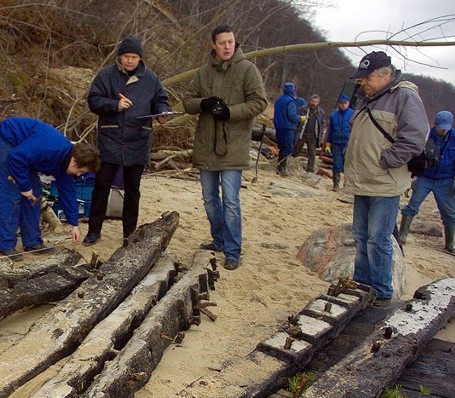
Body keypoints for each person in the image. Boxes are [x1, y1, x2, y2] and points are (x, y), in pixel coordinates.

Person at [344, 51, 428, 305]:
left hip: (385, 181)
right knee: (360, 236)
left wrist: (386, 160)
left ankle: (380, 292)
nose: (363, 82)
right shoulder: (367, 98)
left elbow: (415, 137)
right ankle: (360, 284)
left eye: (367, 77)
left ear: (386, 75)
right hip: (364, 180)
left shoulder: (404, 96)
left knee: (378, 239)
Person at [183, 24, 268, 270]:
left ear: (235, 42)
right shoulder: (203, 72)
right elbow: (188, 102)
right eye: (222, 43)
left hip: (234, 144)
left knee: (231, 200)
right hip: (206, 145)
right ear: (214, 45)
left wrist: (231, 112)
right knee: (210, 199)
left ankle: (233, 250)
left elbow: (259, 102)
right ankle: (218, 240)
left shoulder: (247, 69)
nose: (227, 46)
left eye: (230, 42)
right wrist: (204, 103)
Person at [84, 36, 171, 245]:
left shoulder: (151, 78)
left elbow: (161, 99)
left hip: (138, 139)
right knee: (102, 185)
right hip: (110, 137)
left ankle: (129, 233)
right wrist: (115, 105)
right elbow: (93, 100)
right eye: (126, 57)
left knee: (133, 189)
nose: (130, 61)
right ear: (119, 57)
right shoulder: (106, 75)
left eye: (134, 57)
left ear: (140, 58)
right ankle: (94, 231)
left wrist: (161, 112)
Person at [0, 116, 100, 259]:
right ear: (74, 162)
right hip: (9, 142)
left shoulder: (66, 164)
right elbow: (16, 157)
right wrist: (24, 185)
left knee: (35, 196)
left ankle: (32, 242)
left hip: (25, 153)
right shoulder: (51, 147)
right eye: (81, 171)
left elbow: (68, 192)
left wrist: (74, 224)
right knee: (11, 195)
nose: (80, 175)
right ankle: (6, 245)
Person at [398, 110, 455, 253]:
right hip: (425, 177)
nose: (443, 131)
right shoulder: (426, 135)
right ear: (434, 124)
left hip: (446, 179)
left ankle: (450, 243)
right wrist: (412, 176)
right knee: (412, 206)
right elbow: (415, 156)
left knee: (449, 213)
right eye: (440, 127)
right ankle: (402, 235)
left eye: (445, 128)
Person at [325, 95, 354, 190]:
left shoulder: (352, 114)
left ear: (348, 103)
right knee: (337, 164)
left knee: (348, 165)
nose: (343, 105)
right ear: (339, 104)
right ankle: (336, 184)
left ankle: (347, 185)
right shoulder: (334, 116)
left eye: (345, 103)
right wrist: (328, 143)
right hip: (336, 143)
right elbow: (331, 130)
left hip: (348, 143)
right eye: (341, 103)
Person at [272, 82, 300, 176]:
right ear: (293, 90)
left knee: (281, 147)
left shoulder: (279, 100)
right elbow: (292, 115)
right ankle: (281, 168)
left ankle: (280, 167)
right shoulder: (290, 101)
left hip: (278, 127)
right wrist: (300, 118)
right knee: (287, 148)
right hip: (287, 127)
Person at [297, 94, 325, 173]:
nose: (313, 103)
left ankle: (310, 170)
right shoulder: (303, 109)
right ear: (310, 101)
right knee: (296, 149)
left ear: (318, 102)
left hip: (313, 135)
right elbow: (297, 120)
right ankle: (287, 162)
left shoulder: (320, 112)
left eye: (315, 102)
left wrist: (320, 134)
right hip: (302, 133)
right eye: (312, 101)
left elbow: (322, 124)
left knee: (312, 153)